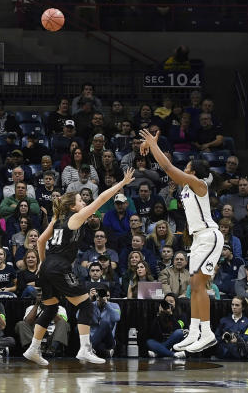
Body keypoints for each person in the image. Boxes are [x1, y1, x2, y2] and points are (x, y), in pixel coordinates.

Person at [23, 168, 134, 366]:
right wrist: (121, 183)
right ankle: (85, 348)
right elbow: (100, 199)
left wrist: (42, 263)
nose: (84, 203)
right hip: (59, 267)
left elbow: (40, 241)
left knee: (50, 309)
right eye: (81, 201)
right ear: (74, 207)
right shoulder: (75, 218)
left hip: (48, 266)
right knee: (85, 304)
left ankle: (33, 348)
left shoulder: (58, 219)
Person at [140, 129, 223, 354]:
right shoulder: (186, 188)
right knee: (193, 286)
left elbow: (167, 167)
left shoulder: (199, 184)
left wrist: (153, 146)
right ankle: (194, 331)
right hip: (198, 239)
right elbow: (169, 170)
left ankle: (206, 333)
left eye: (186, 166)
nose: (183, 167)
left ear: (193, 171)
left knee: (198, 285)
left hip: (209, 236)